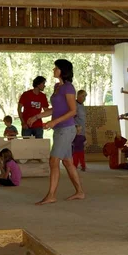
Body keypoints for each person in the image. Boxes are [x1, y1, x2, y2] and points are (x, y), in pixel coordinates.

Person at [26, 60, 85, 205]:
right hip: (60, 129)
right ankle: (80, 192)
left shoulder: (69, 88)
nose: (53, 69)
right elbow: (56, 109)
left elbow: (73, 111)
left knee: (54, 161)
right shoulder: (58, 87)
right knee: (68, 162)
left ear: (62, 70)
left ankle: (51, 195)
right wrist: (37, 116)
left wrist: (54, 122)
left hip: (66, 129)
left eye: (56, 68)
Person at [73, 90, 87, 171]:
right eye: (83, 96)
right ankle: (73, 164)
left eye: (85, 96)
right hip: (76, 130)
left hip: (82, 130)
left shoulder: (82, 105)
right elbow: (71, 116)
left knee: (81, 150)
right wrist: (76, 126)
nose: (84, 98)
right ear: (78, 96)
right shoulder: (75, 104)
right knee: (75, 150)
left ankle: (82, 164)